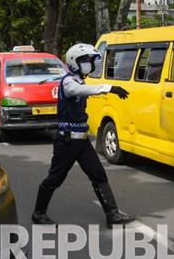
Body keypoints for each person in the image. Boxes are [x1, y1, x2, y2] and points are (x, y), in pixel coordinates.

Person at [32, 43, 135, 227]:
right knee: (55, 178)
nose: (88, 63)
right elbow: (78, 91)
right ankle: (39, 213)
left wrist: (108, 88)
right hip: (67, 142)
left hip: (82, 142)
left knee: (99, 175)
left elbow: (84, 89)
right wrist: (108, 88)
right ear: (74, 62)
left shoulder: (80, 81)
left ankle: (112, 215)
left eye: (90, 60)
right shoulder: (68, 82)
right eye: (84, 60)